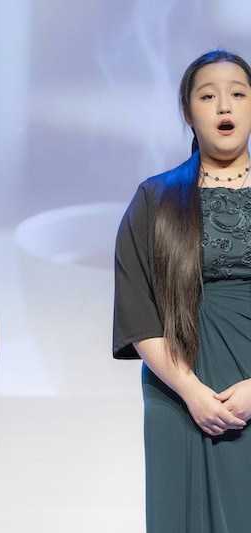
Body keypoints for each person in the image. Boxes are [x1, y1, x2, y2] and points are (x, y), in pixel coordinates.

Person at [114, 50, 251, 532]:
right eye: (208, 96)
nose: (224, 107)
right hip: (177, 396)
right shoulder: (156, 198)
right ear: (188, 112)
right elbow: (138, 309)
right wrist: (191, 391)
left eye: (237, 94)